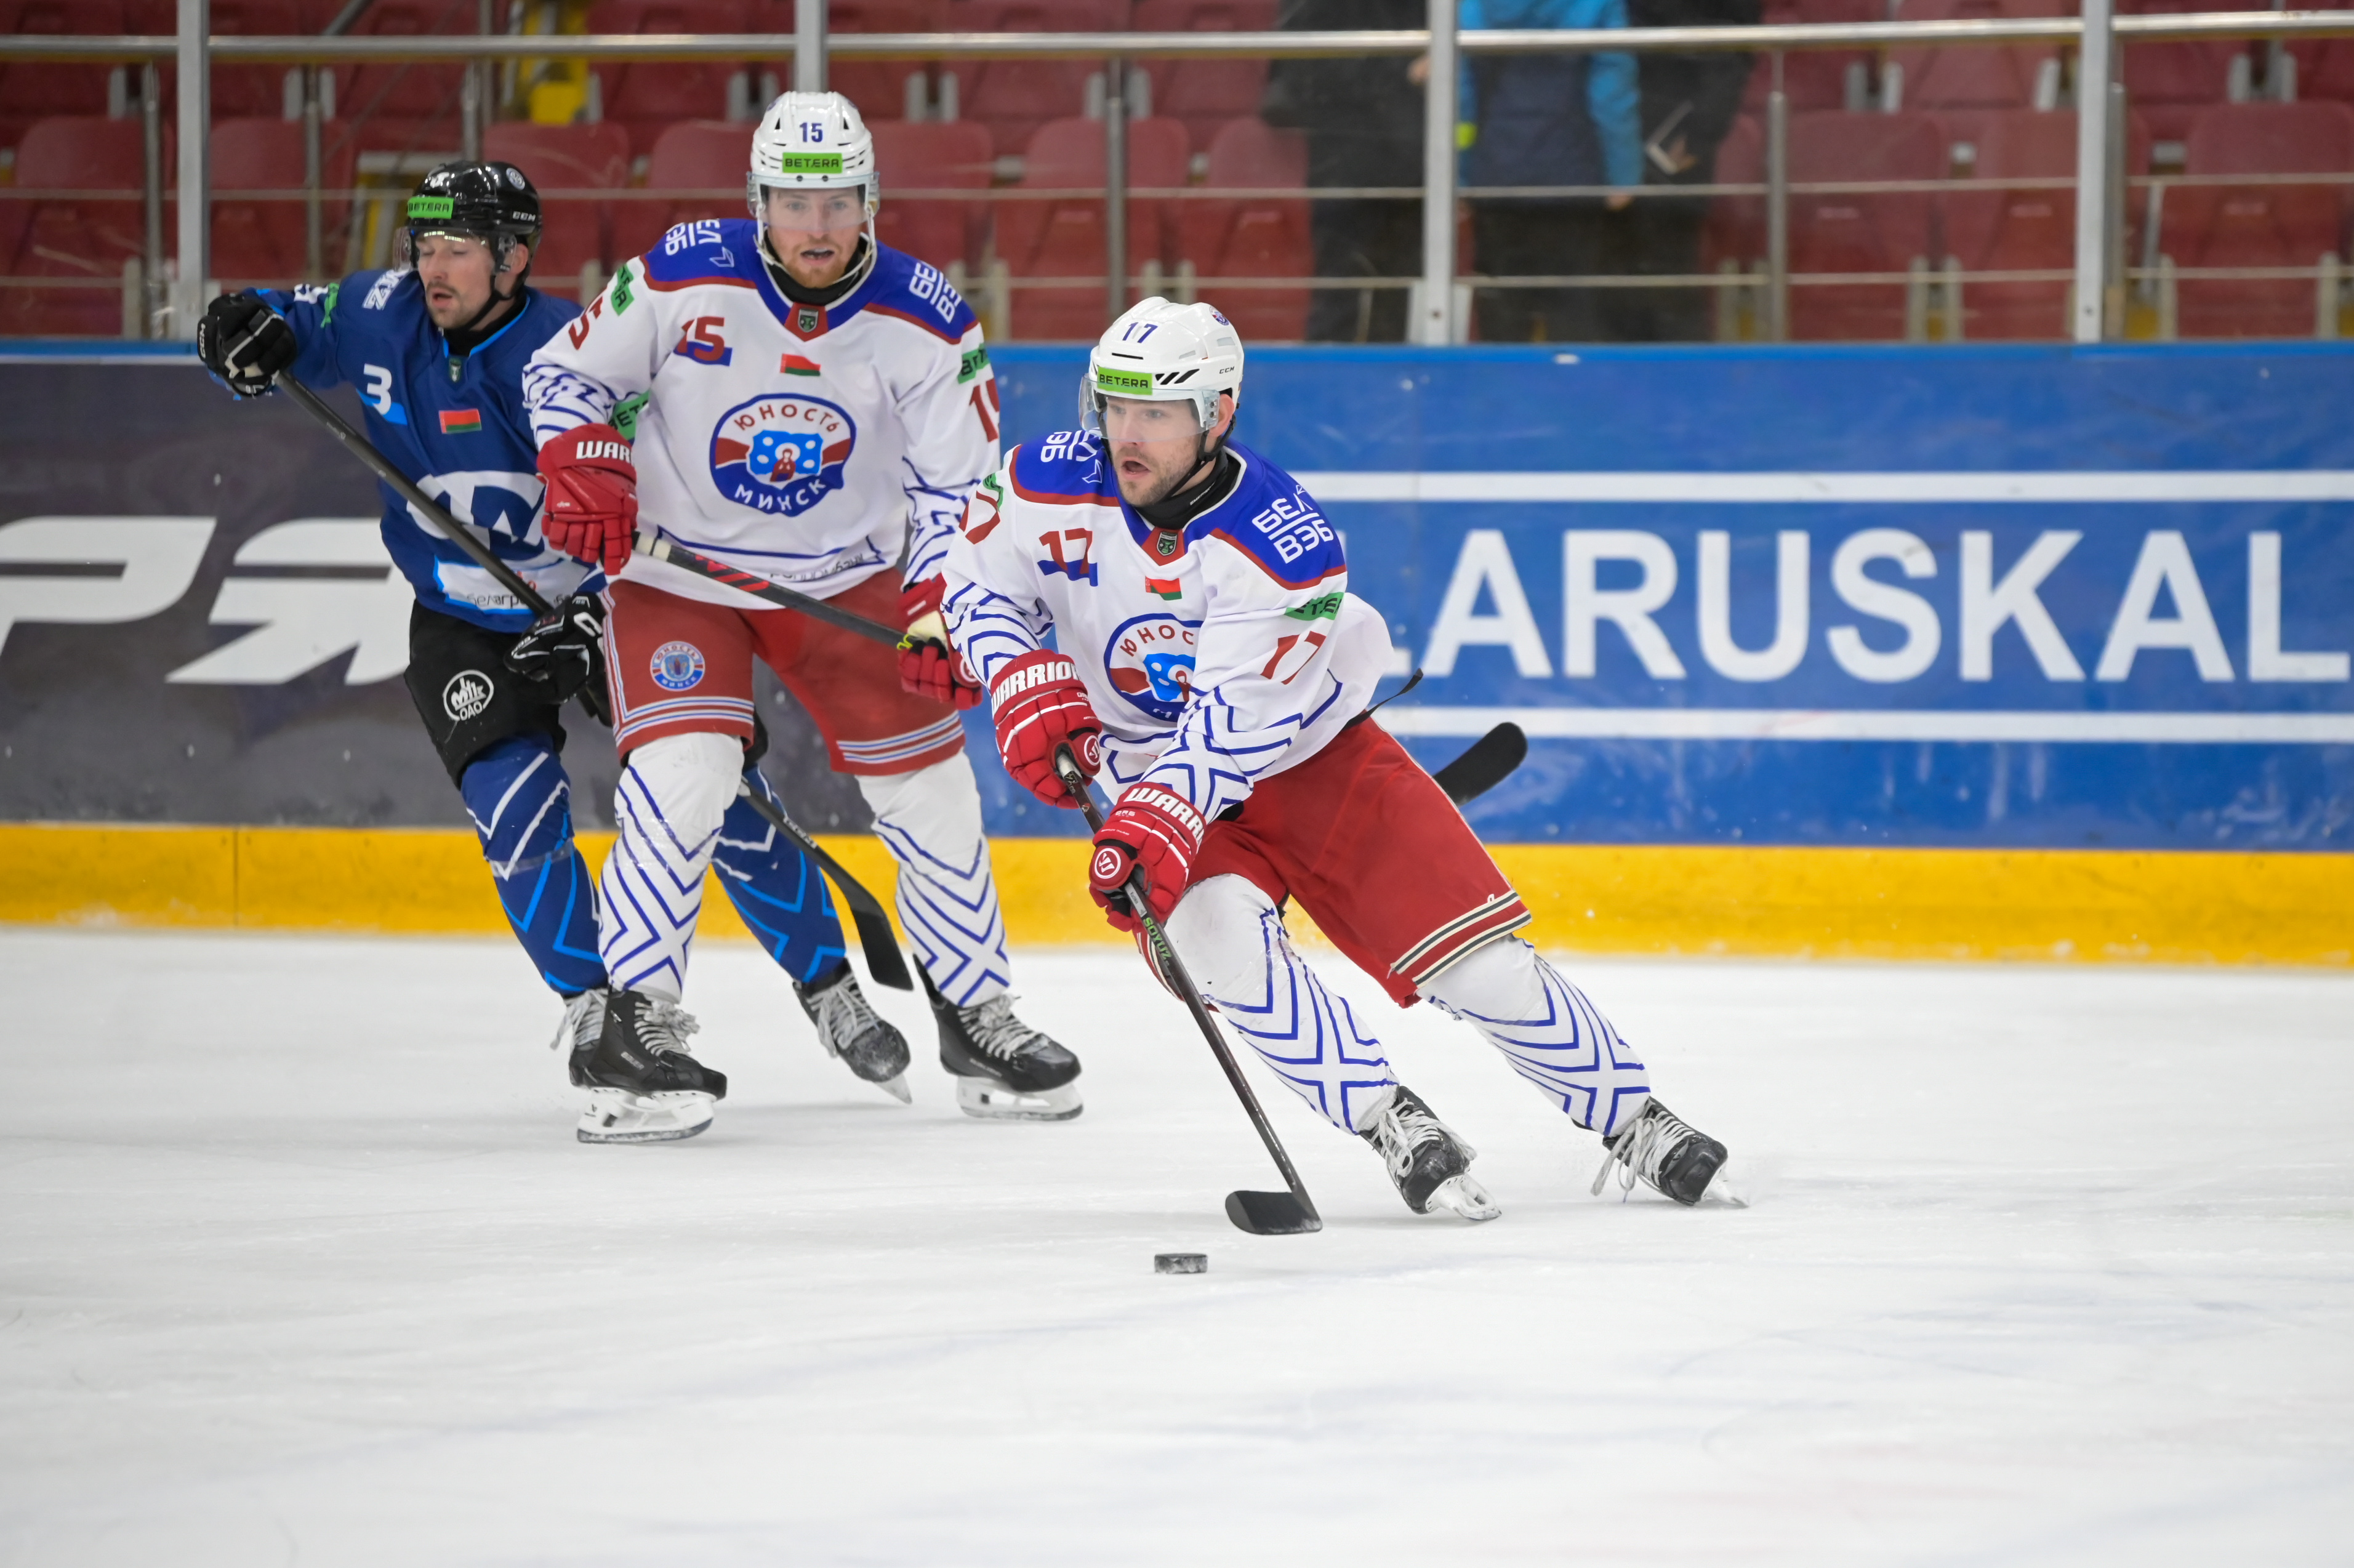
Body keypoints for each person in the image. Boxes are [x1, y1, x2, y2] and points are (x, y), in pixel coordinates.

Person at [937, 297, 1732, 1219]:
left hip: (1308, 758)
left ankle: (1634, 1119)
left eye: (1155, 412)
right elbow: (973, 583)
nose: (1126, 435)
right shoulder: (1041, 480)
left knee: (1478, 967)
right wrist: (1014, 670)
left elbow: (1229, 726)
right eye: (1113, 407)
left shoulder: (1281, 541)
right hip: (1156, 777)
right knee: (1215, 948)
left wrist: (1155, 813)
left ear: (1217, 414)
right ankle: (1391, 1119)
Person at [195, 161, 877, 1146]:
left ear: (513, 258)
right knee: (513, 808)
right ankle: (601, 1018)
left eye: (458, 250)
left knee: (718, 793)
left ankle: (828, 984)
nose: (433, 267)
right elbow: (289, 323)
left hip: (609, 606)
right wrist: (240, 328)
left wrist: (597, 610)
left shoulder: (573, 352)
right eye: (424, 246)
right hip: (461, 619)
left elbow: (654, 499)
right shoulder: (379, 315)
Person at [522, 91, 1082, 1133]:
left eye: (837, 202)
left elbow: (960, 495)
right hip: (679, 572)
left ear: (871, 200)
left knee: (930, 786)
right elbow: (564, 372)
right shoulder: (683, 271)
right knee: (685, 774)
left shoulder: (928, 319)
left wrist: (938, 601)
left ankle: (974, 1010)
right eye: (793, 202)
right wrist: (580, 452)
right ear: (758, 201)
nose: (816, 226)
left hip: (846, 577)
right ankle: (631, 1025)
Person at [1460, 0, 1645, 344]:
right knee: (1575, 314)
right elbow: (1611, 96)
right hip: (1574, 176)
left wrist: (1460, 174)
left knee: (1503, 315)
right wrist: (1624, 174)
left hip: (1496, 175)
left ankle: (1504, 378)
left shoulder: (1470, 5)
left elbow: (1462, 101)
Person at [1261, 0, 1427, 343]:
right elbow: (1305, 69)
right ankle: (1329, 373)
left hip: (1400, 159)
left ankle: (1386, 373)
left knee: (1396, 299)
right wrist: (1403, 71)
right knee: (1340, 292)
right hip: (1349, 157)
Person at [1602, 0, 1761, 341]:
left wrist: (1702, 131)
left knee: (1667, 272)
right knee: (1617, 275)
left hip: (1672, 129)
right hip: (1621, 123)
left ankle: (1680, 370)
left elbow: (1733, 43)